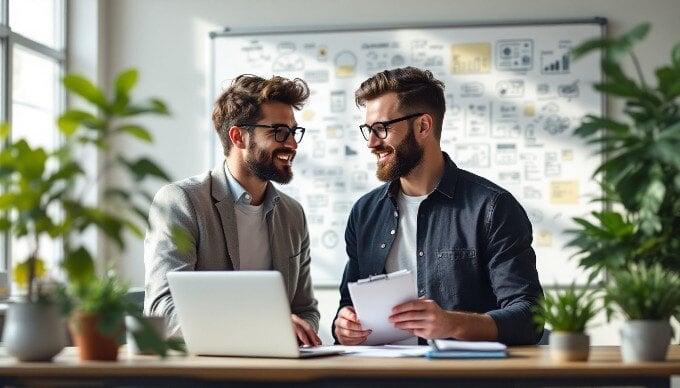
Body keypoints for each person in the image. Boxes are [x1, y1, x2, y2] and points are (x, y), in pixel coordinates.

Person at [333, 67, 543, 346]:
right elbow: (349, 307)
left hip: (457, 377)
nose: (372, 143)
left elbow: (529, 317)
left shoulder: (492, 208)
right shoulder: (365, 212)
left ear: (422, 126)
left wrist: (452, 323)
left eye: (382, 129)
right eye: (368, 130)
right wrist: (345, 326)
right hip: (380, 374)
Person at [144, 74, 321, 346]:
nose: (292, 144)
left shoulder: (292, 214)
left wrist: (300, 332)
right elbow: (163, 311)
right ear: (238, 136)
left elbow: (305, 310)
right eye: (279, 132)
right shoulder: (181, 202)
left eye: (294, 132)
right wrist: (262, 327)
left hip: (278, 368)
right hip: (206, 371)